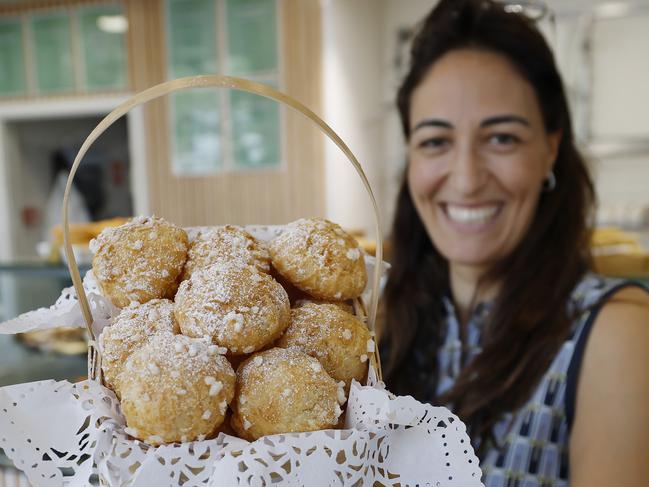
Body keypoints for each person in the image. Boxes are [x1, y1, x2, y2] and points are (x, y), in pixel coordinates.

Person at [379, 0, 649, 485]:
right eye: (436, 141)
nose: (465, 180)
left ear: (550, 149)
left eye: (501, 138)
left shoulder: (615, 335)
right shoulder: (377, 319)